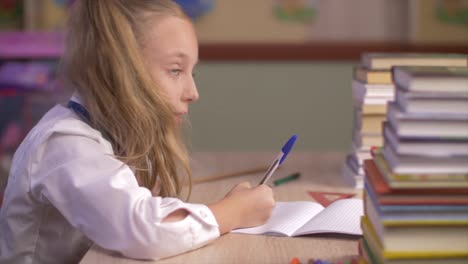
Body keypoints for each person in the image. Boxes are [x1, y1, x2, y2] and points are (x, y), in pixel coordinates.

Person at [0, 1, 275, 263]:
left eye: (193, 73)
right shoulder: (64, 144)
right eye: (176, 70)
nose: (194, 93)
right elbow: (142, 231)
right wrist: (233, 212)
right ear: (118, 72)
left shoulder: (115, 136)